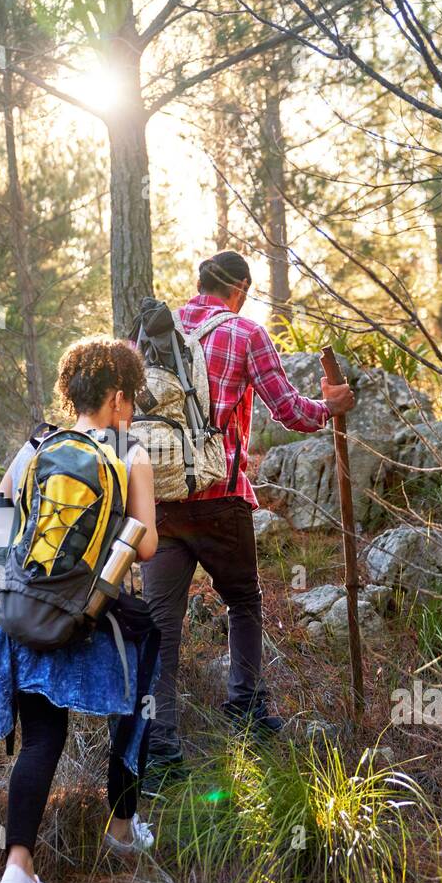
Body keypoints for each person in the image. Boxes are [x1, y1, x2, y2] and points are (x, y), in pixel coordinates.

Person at [140, 251, 355, 791]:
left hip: (159, 502)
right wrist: (332, 404)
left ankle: (161, 746)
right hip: (220, 496)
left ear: (197, 285)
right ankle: (247, 710)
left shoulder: (145, 335)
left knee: (162, 626)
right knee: (243, 600)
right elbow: (291, 411)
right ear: (238, 289)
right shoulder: (244, 333)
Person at [0, 338, 159, 883]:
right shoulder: (129, 454)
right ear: (117, 398)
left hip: (31, 618)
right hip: (95, 623)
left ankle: (19, 866)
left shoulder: (35, 447)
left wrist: (18, 582)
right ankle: (123, 827)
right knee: (134, 713)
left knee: (43, 740)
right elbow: (147, 544)